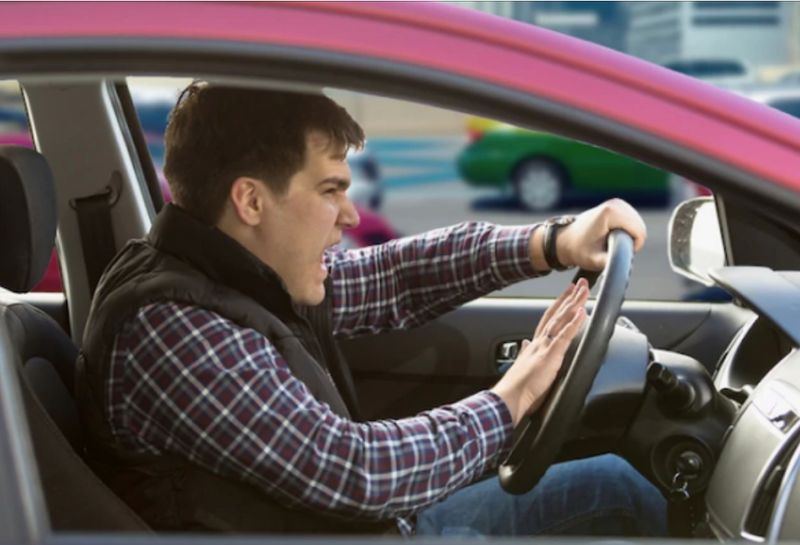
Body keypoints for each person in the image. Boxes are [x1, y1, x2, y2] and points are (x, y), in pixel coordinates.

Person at [75, 82, 666, 537]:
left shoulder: (238, 277)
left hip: (367, 530)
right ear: (251, 201)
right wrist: (515, 397)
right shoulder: (175, 329)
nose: (351, 215)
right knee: (618, 495)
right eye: (330, 190)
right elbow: (353, 471)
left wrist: (553, 242)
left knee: (611, 483)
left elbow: (399, 278)